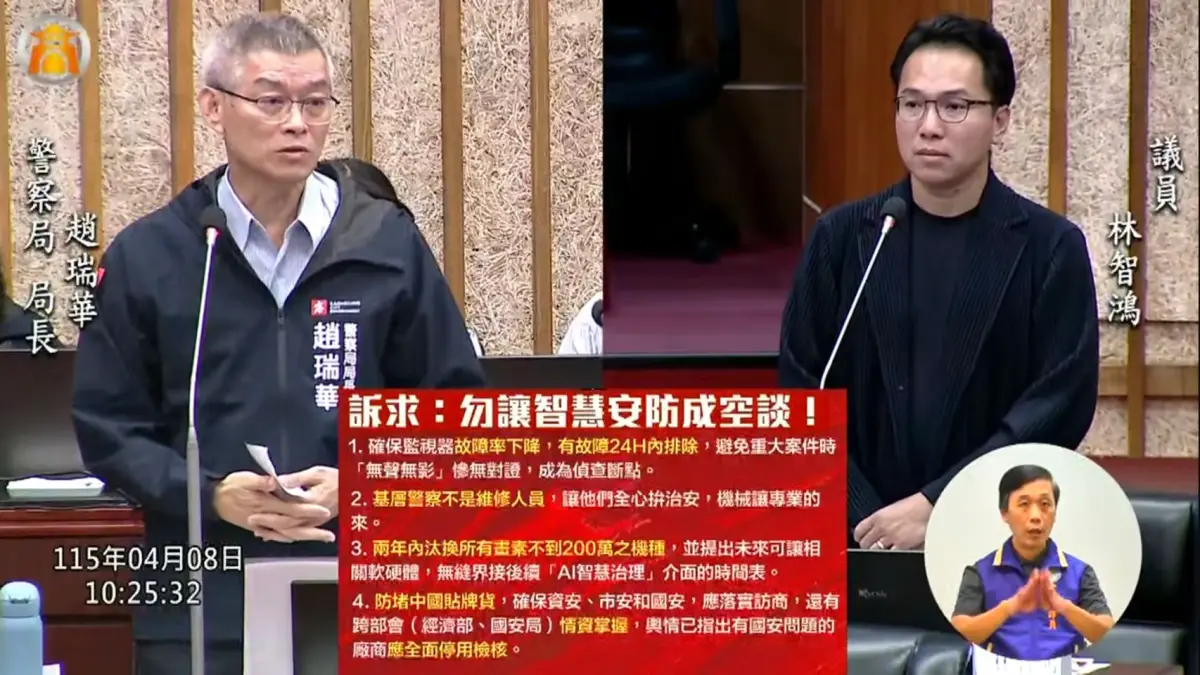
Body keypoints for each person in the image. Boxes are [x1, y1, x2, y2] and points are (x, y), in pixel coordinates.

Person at [71, 13, 485, 675]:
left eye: (315, 103)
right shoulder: (154, 254)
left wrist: (364, 481)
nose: (297, 123)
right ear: (214, 107)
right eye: (271, 101)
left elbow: (455, 413)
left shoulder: (384, 244)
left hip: (360, 585)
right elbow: (108, 428)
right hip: (200, 597)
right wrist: (209, 494)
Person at [778, 14, 1099, 551]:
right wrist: (869, 523)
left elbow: (1057, 405)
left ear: (1000, 121)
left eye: (954, 106)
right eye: (912, 104)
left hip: (994, 539)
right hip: (858, 539)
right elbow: (803, 386)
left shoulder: (1049, 247)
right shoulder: (844, 237)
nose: (928, 126)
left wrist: (943, 504)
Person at [950, 465, 1113, 659]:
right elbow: (959, 633)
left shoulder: (1079, 572)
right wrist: (1010, 607)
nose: (1035, 516)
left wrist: (1064, 607)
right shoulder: (980, 572)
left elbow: (1106, 631)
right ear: (1004, 513)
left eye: (1045, 504)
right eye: (1024, 504)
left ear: (1055, 513)